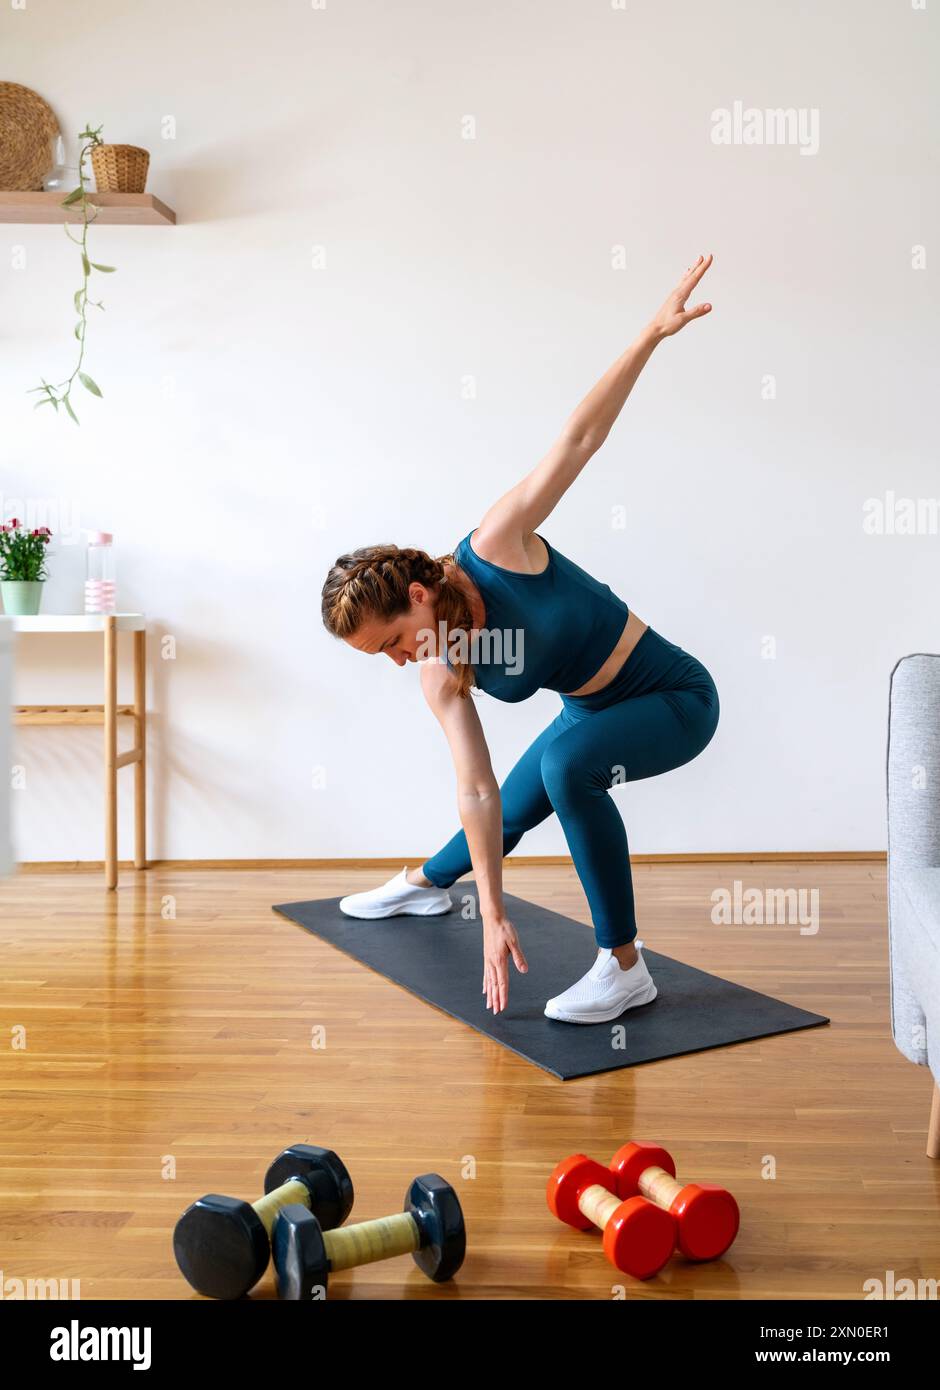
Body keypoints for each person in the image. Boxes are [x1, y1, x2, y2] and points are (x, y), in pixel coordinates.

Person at [321, 254, 719, 1024]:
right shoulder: (439, 667)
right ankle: (428, 888)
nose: (402, 661)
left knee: (569, 767)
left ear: (416, 594)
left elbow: (576, 442)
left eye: (394, 641)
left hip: (673, 698)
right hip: (591, 712)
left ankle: (625, 967)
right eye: (386, 657)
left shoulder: (496, 545)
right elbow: (477, 787)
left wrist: (649, 337)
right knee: (507, 808)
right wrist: (492, 916)